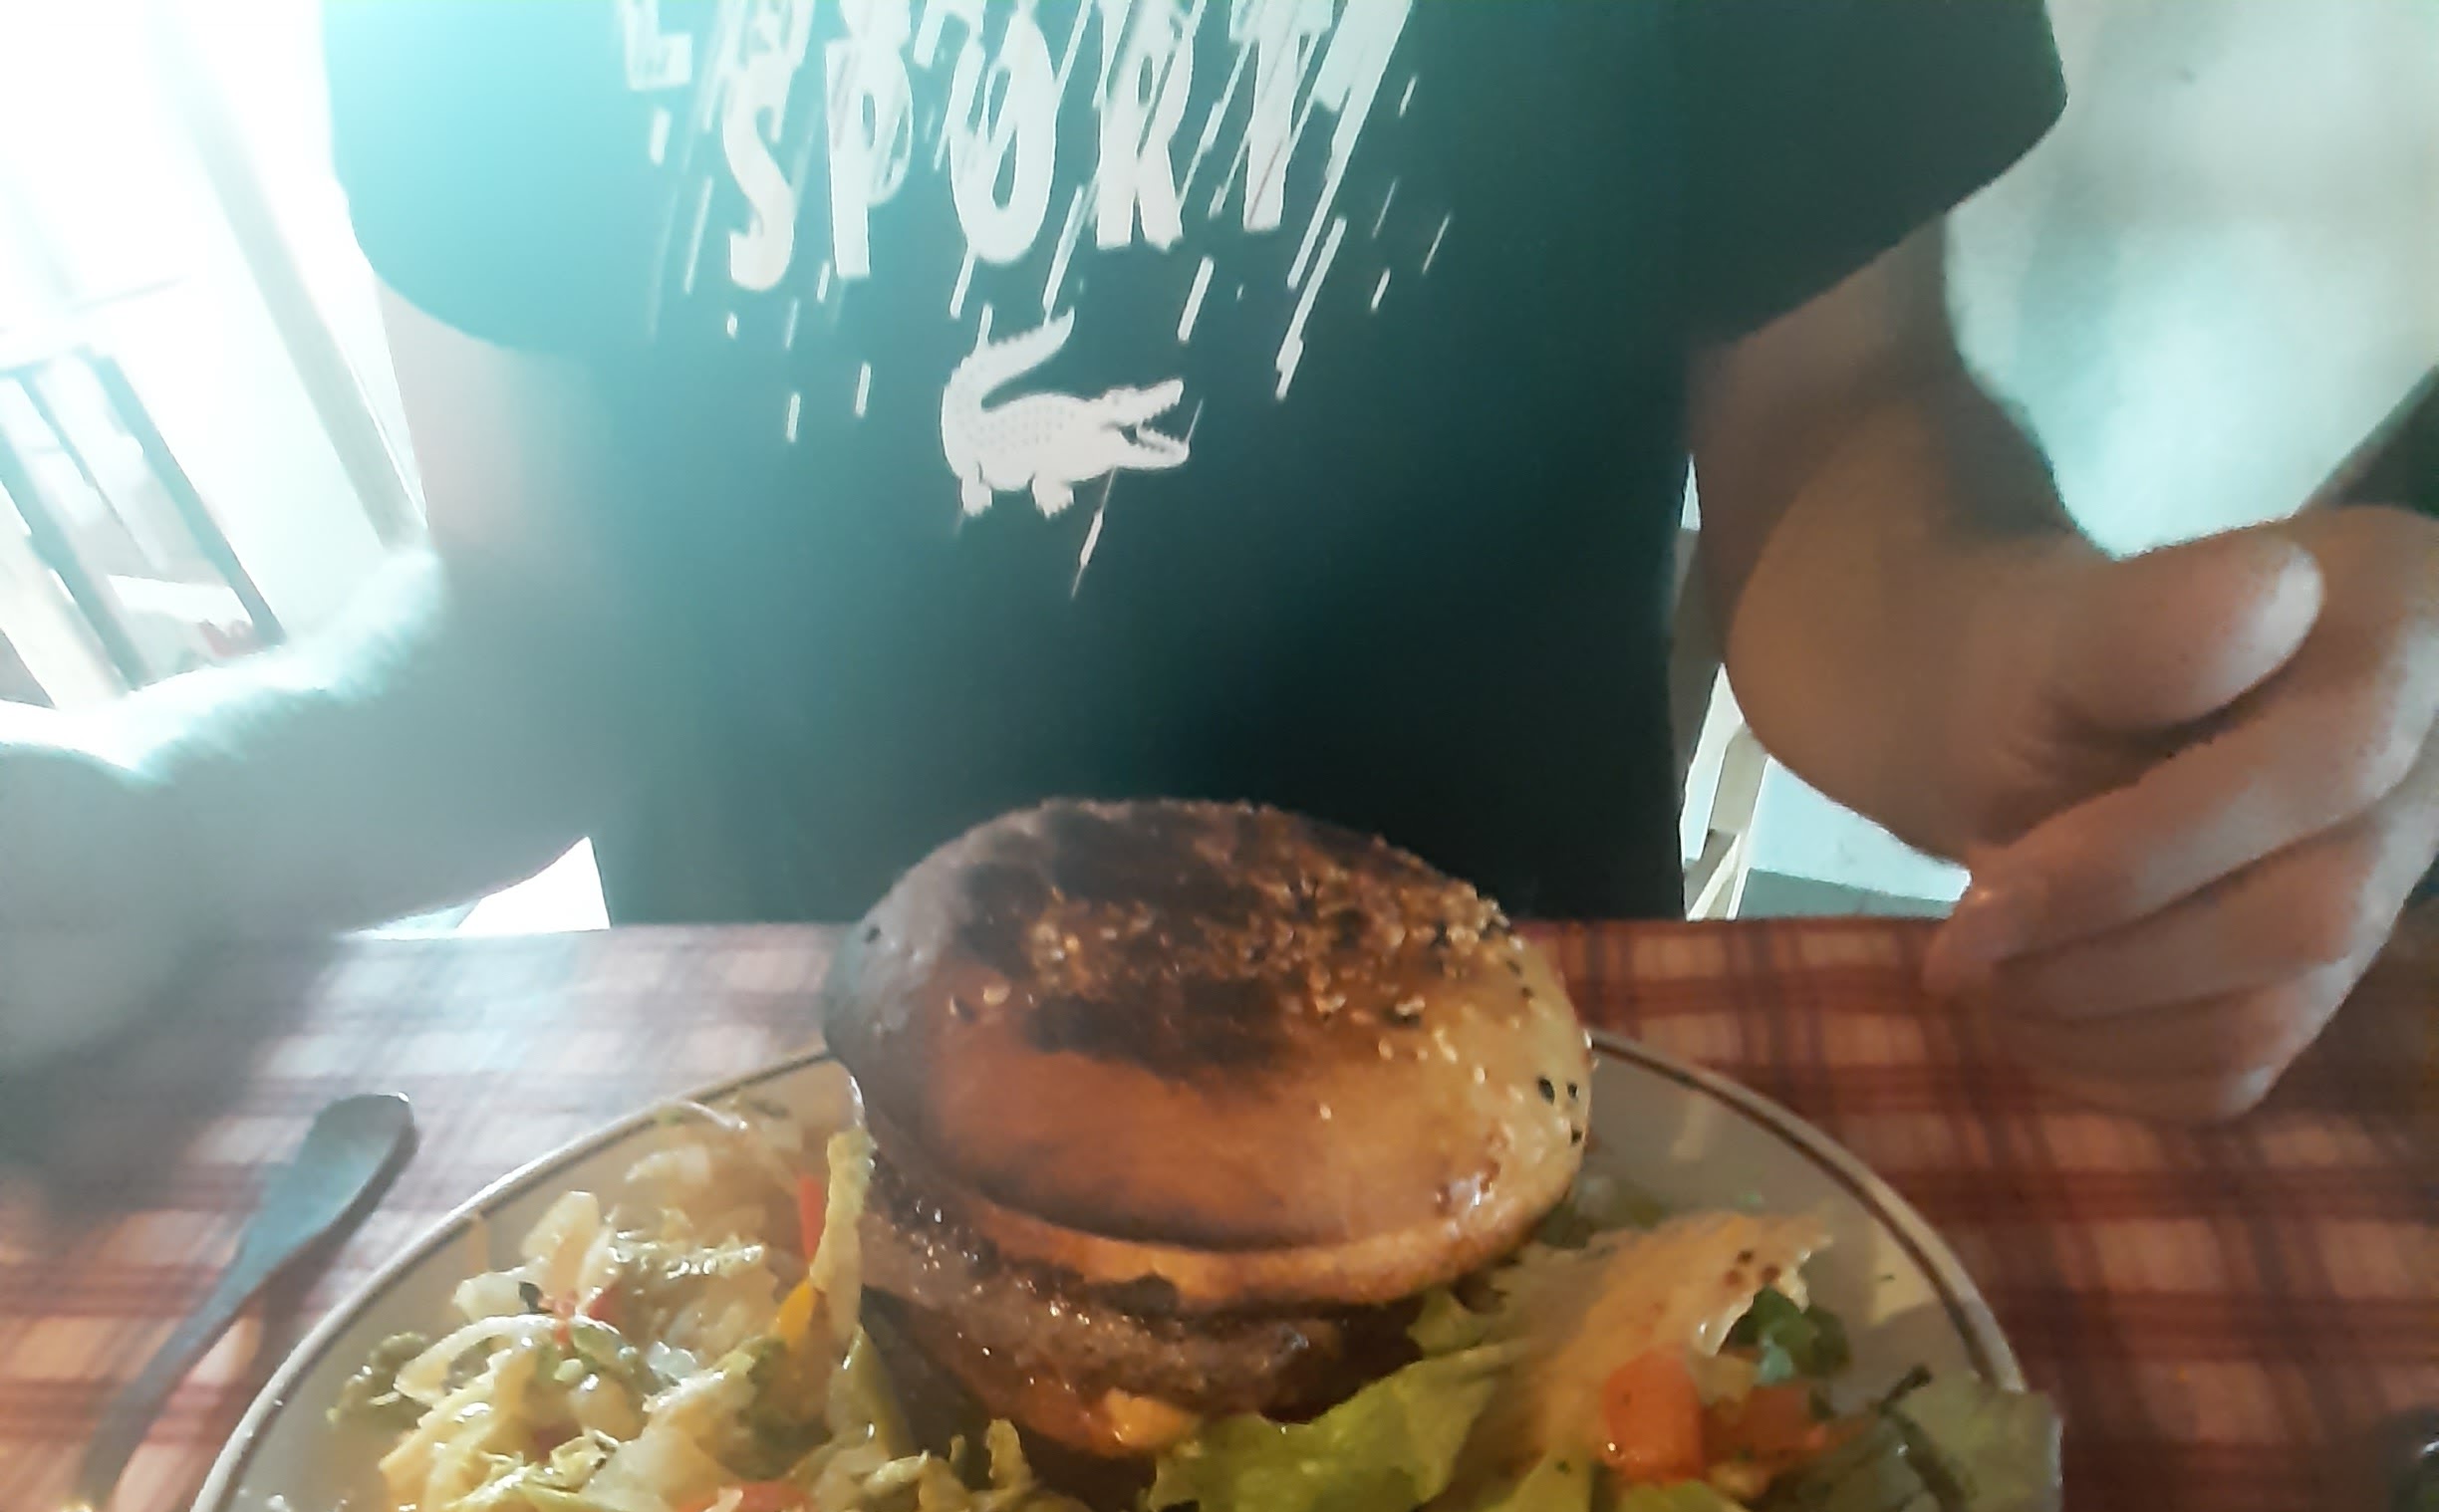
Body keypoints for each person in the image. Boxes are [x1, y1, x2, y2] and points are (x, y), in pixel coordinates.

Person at [1, 0, 2433, 1127]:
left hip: (1492, 1094)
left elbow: (1833, 444)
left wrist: (2021, 665)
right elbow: (532, 618)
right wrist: (165, 810)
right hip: (788, 1143)